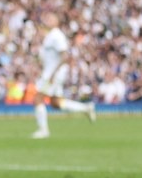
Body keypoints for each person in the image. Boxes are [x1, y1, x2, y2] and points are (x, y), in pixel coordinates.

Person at [30, 11, 96, 139]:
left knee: (38, 98)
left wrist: (53, 73)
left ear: (57, 21)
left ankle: (43, 130)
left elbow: (65, 56)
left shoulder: (57, 35)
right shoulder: (49, 35)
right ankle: (86, 108)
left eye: (51, 18)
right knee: (56, 103)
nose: (47, 20)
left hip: (54, 73)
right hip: (50, 71)